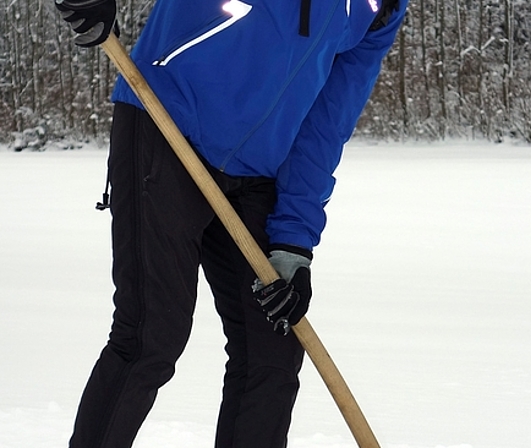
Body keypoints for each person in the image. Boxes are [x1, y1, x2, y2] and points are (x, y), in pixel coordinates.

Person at [55, 0, 407, 447]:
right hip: (166, 122)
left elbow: (327, 122)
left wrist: (293, 243)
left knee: (272, 348)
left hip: (260, 173)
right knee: (151, 337)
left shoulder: (382, 5)